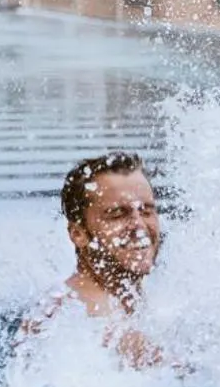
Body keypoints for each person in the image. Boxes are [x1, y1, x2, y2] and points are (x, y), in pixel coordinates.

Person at [21, 151, 164, 367]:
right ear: (78, 234)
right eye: (117, 214)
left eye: (146, 211)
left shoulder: (133, 299)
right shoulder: (68, 318)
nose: (139, 225)